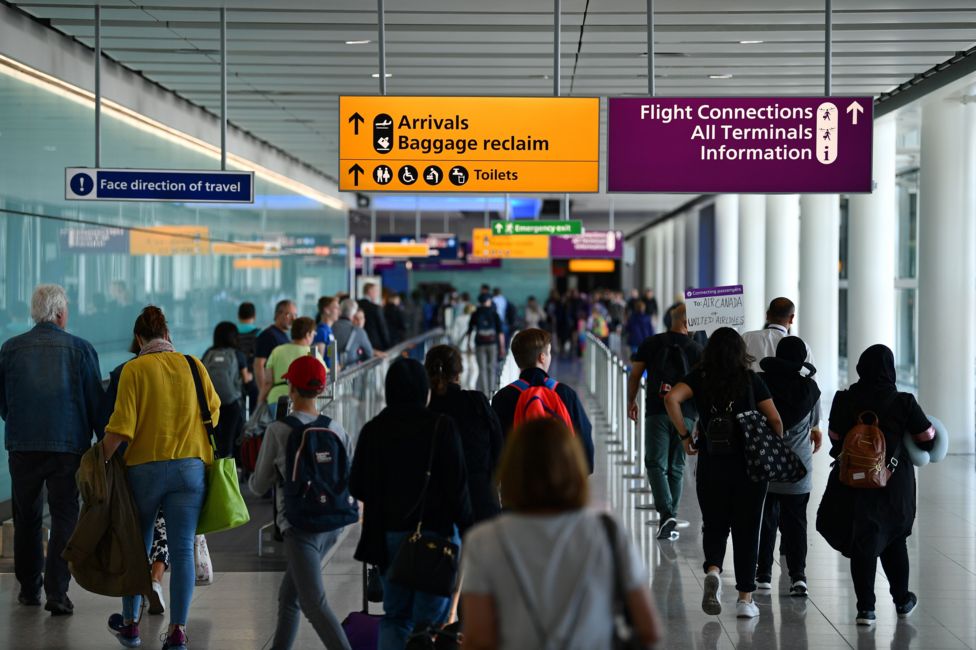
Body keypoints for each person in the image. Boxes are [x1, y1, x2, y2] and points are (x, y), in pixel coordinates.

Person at [461, 418, 662, 650]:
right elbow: (650, 630)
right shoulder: (608, 533)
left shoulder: (485, 541)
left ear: (512, 470)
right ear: (574, 467)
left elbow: (479, 639)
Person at [102, 306, 220, 649]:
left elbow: (121, 426)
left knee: (135, 546)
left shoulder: (134, 370)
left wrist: (99, 460)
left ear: (139, 338)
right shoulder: (193, 365)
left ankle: (130, 626)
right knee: (183, 549)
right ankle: (178, 632)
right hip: (189, 469)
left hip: (145, 470)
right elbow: (213, 411)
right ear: (167, 335)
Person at [349, 358, 473, 650]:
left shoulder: (373, 429)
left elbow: (357, 486)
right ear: (424, 390)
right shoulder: (442, 427)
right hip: (436, 537)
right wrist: (471, 531)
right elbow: (458, 488)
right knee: (429, 624)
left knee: (395, 616)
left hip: (389, 537)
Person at [663, 327, 783, 619]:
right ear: (740, 353)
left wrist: (683, 436)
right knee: (747, 529)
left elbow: (671, 399)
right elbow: (776, 420)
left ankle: (714, 570)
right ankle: (744, 599)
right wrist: (770, 443)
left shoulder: (700, 378)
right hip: (750, 469)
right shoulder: (751, 380)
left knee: (714, 523)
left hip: (712, 464)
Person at [0, 284, 103, 615]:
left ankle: (29, 589)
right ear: (60, 313)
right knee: (64, 514)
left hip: (23, 446)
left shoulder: (10, 349)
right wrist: (102, 440)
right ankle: (57, 591)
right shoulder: (81, 350)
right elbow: (94, 402)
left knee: (26, 515)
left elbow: (4, 402)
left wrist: (19, 424)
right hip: (67, 447)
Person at [821, 344, 934, 626]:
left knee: (863, 541)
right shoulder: (903, 401)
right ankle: (901, 599)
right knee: (894, 539)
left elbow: (835, 437)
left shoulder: (844, 399)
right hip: (893, 486)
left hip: (853, 483)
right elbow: (927, 439)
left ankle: (866, 609)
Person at [249, 356, 353, 650]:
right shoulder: (336, 428)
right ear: (321, 390)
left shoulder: (279, 430)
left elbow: (258, 485)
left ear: (291, 388)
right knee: (289, 597)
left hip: (300, 525)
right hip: (333, 524)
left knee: (313, 603)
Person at [627, 303, 703, 540]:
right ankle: (669, 515)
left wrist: (632, 401)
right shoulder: (697, 349)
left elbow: (635, 376)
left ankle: (667, 514)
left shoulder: (650, 343)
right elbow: (702, 386)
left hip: (657, 410)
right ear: (686, 322)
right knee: (677, 466)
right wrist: (700, 418)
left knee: (655, 463)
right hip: (686, 414)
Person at [754, 336, 822, 598]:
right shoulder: (810, 389)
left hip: (765, 462)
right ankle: (798, 577)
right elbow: (813, 422)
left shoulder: (761, 383)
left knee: (765, 519)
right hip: (798, 466)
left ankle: (763, 575)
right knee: (796, 523)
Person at [491, 328, 595, 473]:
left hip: (520, 481)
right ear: (542, 357)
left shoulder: (502, 398)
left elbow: (496, 445)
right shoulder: (565, 393)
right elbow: (584, 435)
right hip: (559, 478)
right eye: (549, 352)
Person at [425, 345, 503, 523]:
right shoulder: (477, 402)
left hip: (439, 513)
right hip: (482, 503)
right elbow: (499, 449)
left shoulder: (426, 412)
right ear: (458, 373)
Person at [202, 322, 251, 458]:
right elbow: (246, 379)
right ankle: (229, 471)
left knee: (214, 439)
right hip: (232, 404)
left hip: (210, 405)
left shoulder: (208, 354)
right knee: (230, 438)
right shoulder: (237, 354)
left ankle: (214, 467)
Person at [261, 317, 325, 417]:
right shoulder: (312, 354)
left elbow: (268, 382)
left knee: (279, 429)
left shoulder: (277, 350)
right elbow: (323, 375)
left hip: (275, 399)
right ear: (308, 334)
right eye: (313, 333)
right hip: (301, 400)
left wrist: (260, 400)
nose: (314, 336)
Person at [741, 297, 815, 373]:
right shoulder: (802, 346)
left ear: (767, 315)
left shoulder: (746, 337)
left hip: (751, 384)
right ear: (792, 318)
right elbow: (811, 377)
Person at [255, 300, 297, 399]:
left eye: (295, 315)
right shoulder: (268, 335)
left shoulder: (284, 336)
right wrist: (263, 393)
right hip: (272, 393)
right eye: (289, 315)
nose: (293, 319)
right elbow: (258, 365)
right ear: (278, 314)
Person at [466, 293, 505, 396]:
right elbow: (500, 332)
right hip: (492, 344)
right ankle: (492, 392)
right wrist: (502, 347)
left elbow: (469, 331)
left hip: (480, 344)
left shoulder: (475, 313)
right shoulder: (494, 313)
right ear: (488, 301)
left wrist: (468, 345)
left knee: (482, 369)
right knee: (492, 368)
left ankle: (485, 393)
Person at [332, 299, 374, 367]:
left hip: (330, 372)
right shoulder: (359, 332)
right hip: (350, 372)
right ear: (354, 314)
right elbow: (369, 354)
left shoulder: (331, 327)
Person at [236, 301, 260, 415]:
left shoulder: (233, 332)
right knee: (254, 409)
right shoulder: (259, 333)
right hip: (254, 375)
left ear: (238, 316)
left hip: (236, 376)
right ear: (254, 316)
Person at [358, 282, 391, 351]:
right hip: (375, 345)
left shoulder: (356, 305)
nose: (377, 294)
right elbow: (382, 328)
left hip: (359, 343)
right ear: (370, 291)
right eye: (376, 291)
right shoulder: (376, 308)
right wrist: (388, 345)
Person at [313, 296, 339, 367]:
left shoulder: (328, 330)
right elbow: (318, 360)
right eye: (336, 308)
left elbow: (329, 353)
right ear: (326, 310)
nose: (339, 311)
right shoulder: (321, 331)